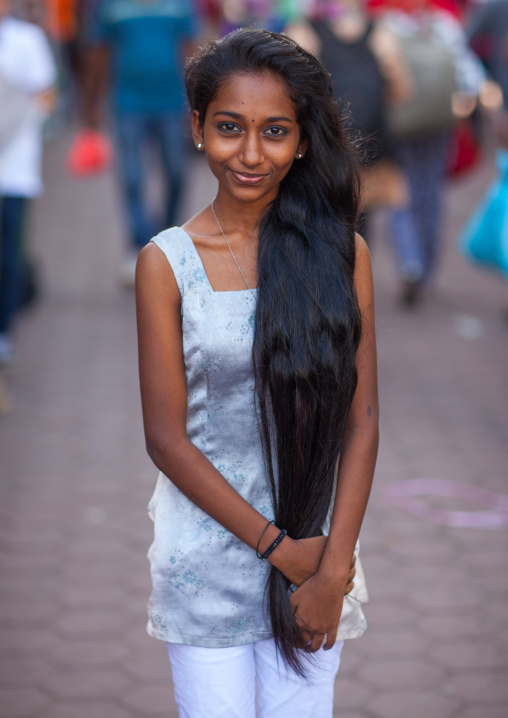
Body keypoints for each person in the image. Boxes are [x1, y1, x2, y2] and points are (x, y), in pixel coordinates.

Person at [135, 28, 378, 717]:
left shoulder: (342, 255)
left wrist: (333, 567)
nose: (249, 153)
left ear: (302, 140)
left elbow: (362, 418)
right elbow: (166, 439)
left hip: (315, 558)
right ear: (197, 129)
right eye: (229, 128)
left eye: (274, 131)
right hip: (209, 564)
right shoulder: (166, 263)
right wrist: (281, 549)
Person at [83, 0, 199, 287]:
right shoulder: (109, 6)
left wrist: (197, 103)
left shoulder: (180, 4)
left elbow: (191, 50)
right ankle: (139, 247)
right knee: (132, 178)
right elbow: (99, 52)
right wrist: (92, 102)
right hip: (128, 105)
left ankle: (169, 240)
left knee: (177, 174)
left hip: (173, 105)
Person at [0, 0, 56, 364]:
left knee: (7, 256)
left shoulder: (27, 40)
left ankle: (4, 332)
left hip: (13, 171)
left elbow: (47, 97)